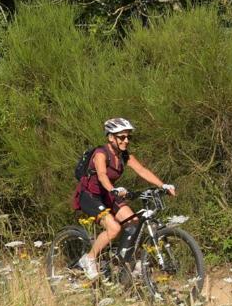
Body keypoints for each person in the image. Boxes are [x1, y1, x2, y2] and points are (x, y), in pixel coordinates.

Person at [71, 118, 175, 279]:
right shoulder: (101, 154)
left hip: (108, 195)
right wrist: (113, 189)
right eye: (122, 137)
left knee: (134, 222)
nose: (126, 140)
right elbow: (102, 175)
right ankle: (89, 258)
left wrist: (163, 185)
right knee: (114, 228)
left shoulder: (123, 155)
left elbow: (142, 170)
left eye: (128, 137)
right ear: (110, 137)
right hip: (90, 196)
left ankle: (123, 261)